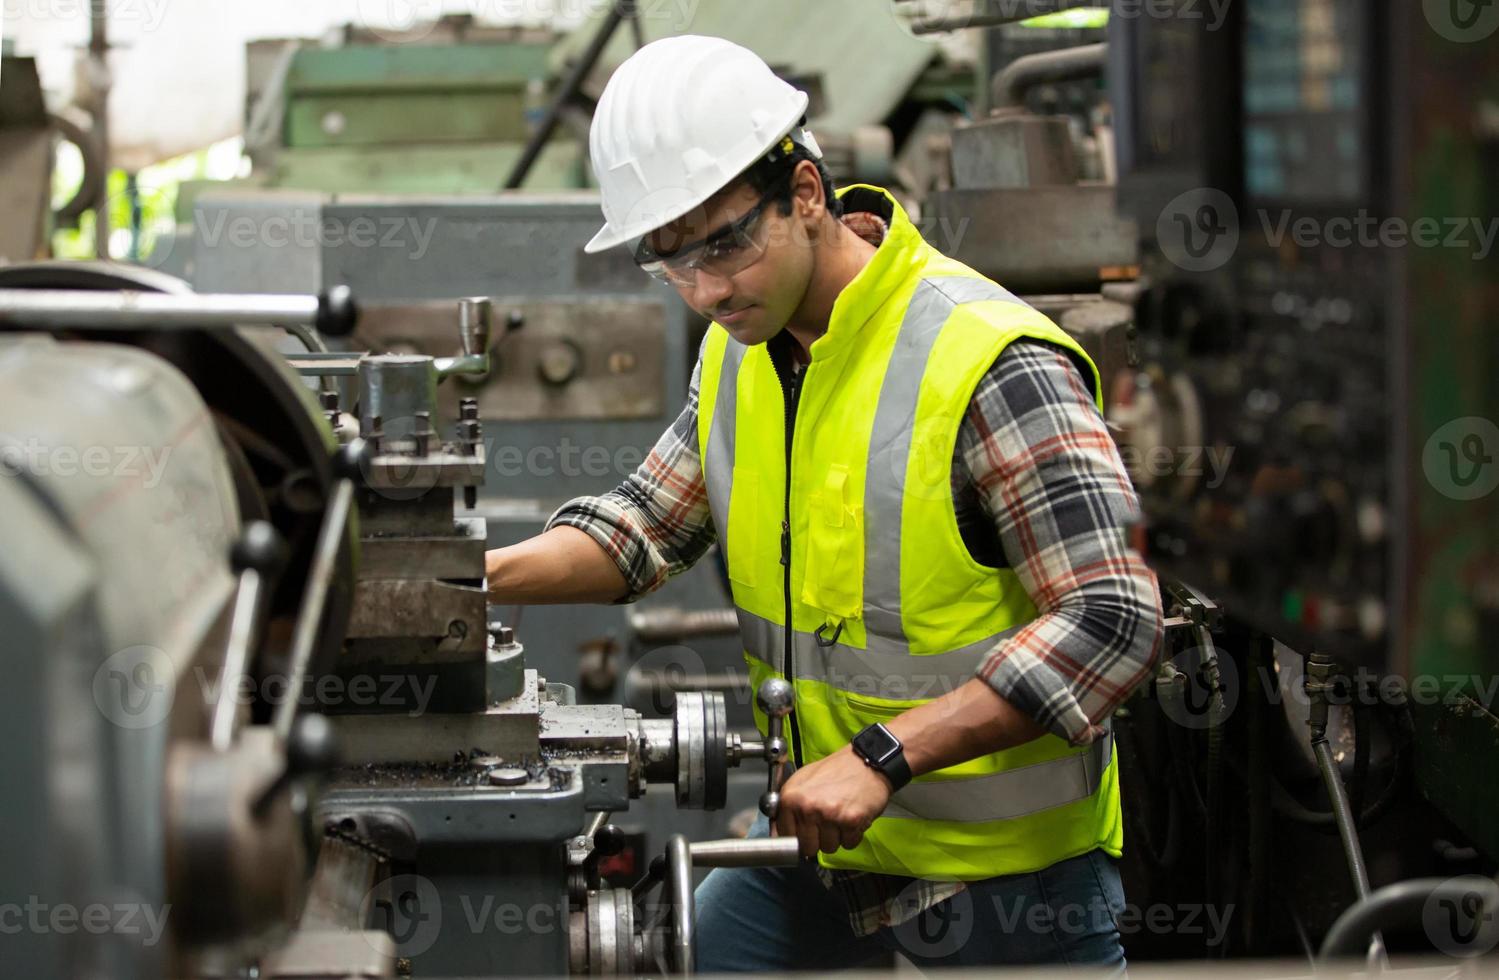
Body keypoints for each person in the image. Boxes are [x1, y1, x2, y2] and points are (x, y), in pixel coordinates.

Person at [484, 34, 1163, 972]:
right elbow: (643, 526)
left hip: (1005, 879)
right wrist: (467, 585)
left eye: (725, 243)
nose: (708, 288)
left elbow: (1115, 620)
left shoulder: (987, 361)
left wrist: (885, 756)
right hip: (821, 844)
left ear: (806, 193)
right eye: (670, 261)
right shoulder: (740, 352)